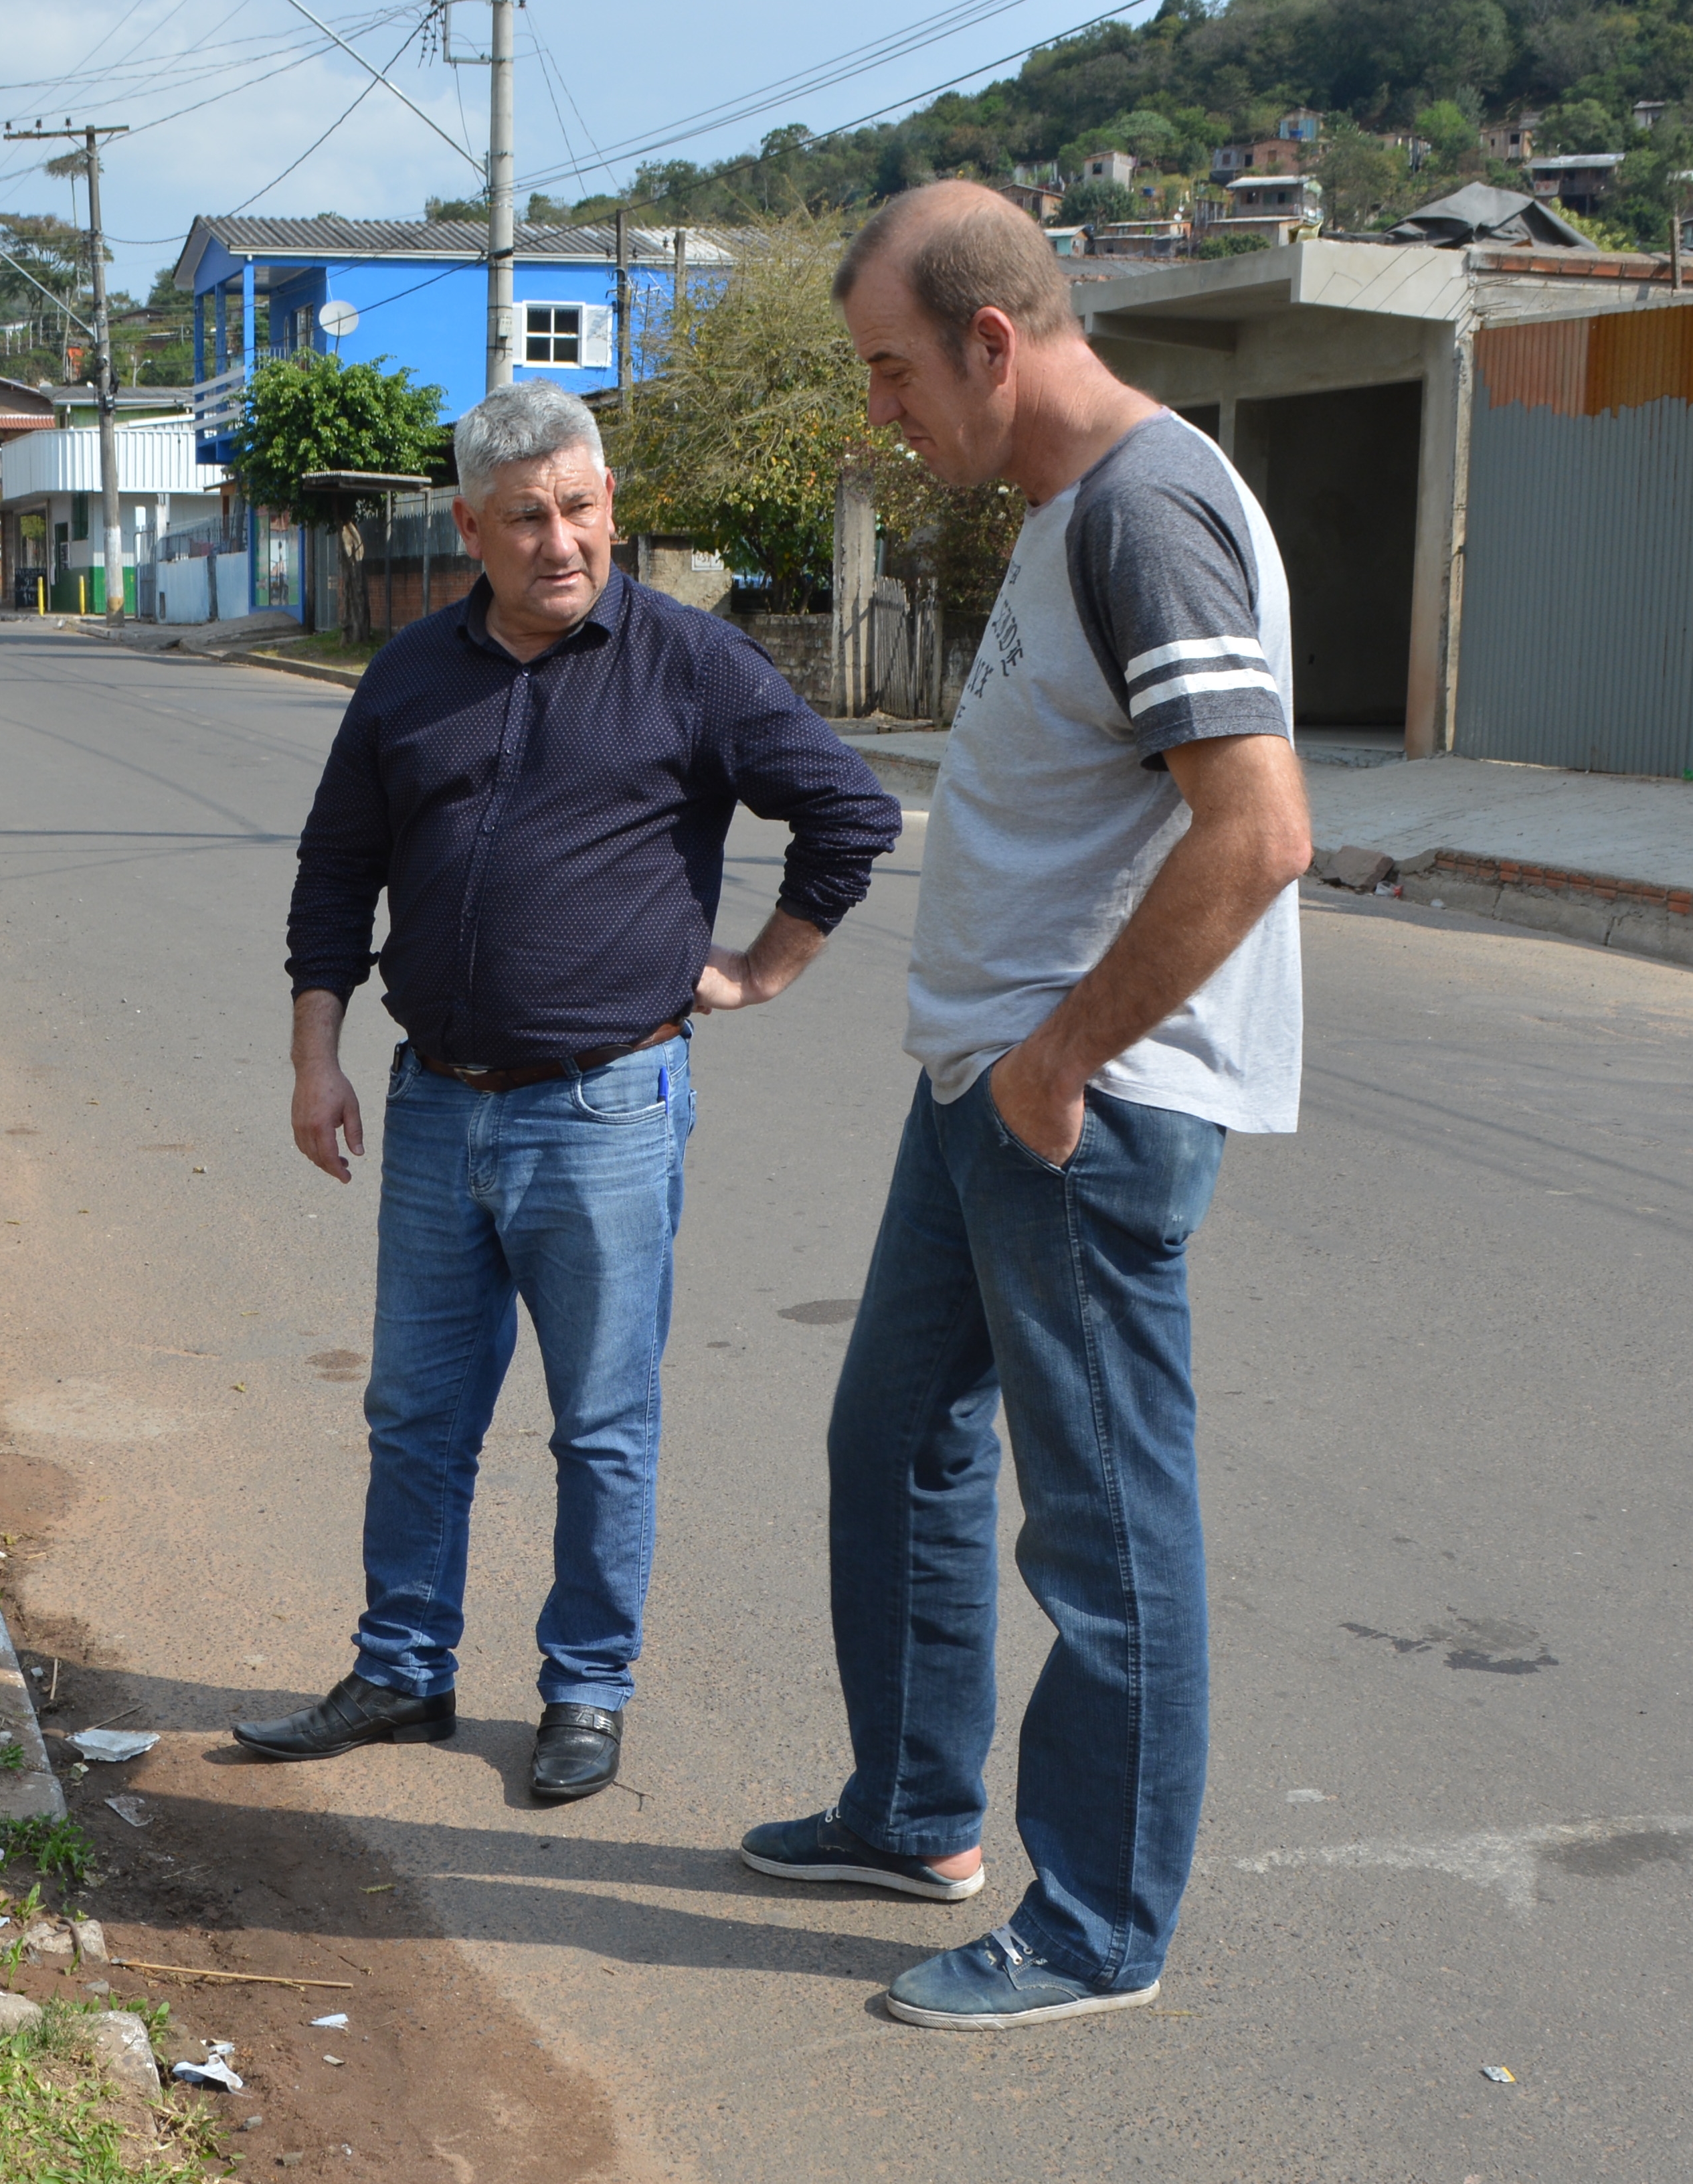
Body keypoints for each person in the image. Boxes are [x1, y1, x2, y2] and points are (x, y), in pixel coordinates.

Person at [737, 181, 1312, 2030]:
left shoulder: (1147, 510)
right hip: (985, 1085)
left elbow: (1262, 830)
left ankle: (1097, 1927)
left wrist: (1061, 1061)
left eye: (895, 372)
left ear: (995, 340)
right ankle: (913, 1814)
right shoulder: (1079, 509)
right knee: (894, 1436)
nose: (883, 413)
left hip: (1077, 1108)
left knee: (1106, 1527)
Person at [250, 380, 902, 1800]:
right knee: (416, 1414)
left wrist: (765, 969)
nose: (562, 542)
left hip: (605, 1110)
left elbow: (851, 812)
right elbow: (332, 871)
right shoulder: (410, 673)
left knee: (601, 1426)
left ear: (612, 508)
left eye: (584, 509)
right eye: (529, 518)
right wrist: (317, 1055)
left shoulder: (690, 665)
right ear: (470, 527)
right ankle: (402, 1669)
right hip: (434, 1105)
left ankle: (585, 1692)